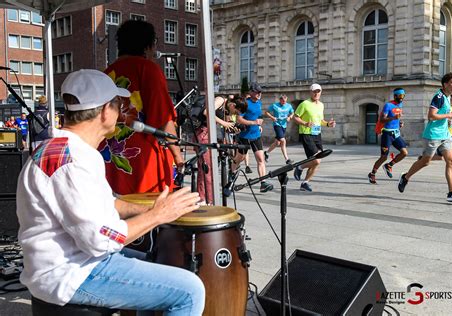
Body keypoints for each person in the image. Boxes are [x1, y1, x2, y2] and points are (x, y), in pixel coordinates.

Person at [16, 69, 205, 314]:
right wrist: (158, 216)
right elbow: (101, 240)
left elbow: (104, 206)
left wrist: (150, 208)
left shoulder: (60, 149)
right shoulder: (73, 162)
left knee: (157, 263)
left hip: (67, 262)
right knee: (190, 290)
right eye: (118, 105)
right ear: (106, 110)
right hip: (70, 273)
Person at [101, 20, 184, 195]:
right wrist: (177, 155)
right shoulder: (148, 69)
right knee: (146, 213)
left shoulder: (106, 74)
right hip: (141, 160)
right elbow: (163, 119)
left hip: (109, 157)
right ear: (147, 46)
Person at [398, 73, 452, 202]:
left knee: (451, 160)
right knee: (425, 162)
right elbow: (431, 116)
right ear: (445, 84)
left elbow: (443, 115)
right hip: (433, 135)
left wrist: (451, 120)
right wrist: (451, 115)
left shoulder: (448, 97)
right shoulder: (438, 97)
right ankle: (405, 177)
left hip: (445, 134)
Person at [231, 83, 273, 193]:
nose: (259, 94)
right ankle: (231, 174)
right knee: (240, 158)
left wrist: (259, 125)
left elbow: (258, 116)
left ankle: (263, 183)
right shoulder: (246, 104)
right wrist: (253, 122)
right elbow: (239, 119)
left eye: (260, 92)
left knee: (261, 158)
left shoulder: (259, 102)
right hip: (245, 135)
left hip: (256, 135)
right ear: (251, 92)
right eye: (257, 92)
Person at [293, 83, 336, 192]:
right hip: (306, 134)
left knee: (315, 161)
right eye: (314, 91)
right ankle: (299, 167)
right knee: (317, 160)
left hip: (317, 134)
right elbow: (295, 117)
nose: (316, 93)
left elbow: (320, 121)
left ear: (321, 92)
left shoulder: (321, 105)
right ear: (310, 92)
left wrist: (328, 124)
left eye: (318, 91)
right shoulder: (304, 104)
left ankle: (305, 183)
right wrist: (305, 123)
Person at [368, 88, 408, 184]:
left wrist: (399, 123)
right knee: (383, 157)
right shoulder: (388, 105)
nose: (402, 98)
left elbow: (396, 119)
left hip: (396, 134)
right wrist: (394, 117)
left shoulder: (400, 105)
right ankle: (372, 174)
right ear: (395, 96)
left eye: (403, 96)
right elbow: (382, 119)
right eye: (400, 96)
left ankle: (389, 165)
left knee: (404, 153)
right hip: (387, 134)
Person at [264, 94, 294, 164]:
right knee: (283, 141)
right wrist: (272, 117)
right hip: (277, 125)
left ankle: (266, 153)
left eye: (285, 101)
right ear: (280, 100)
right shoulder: (275, 105)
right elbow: (266, 112)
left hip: (284, 125)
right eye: (282, 101)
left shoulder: (288, 106)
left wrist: (290, 117)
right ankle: (287, 159)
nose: (284, 102)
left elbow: (292, 112)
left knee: (277, 142)